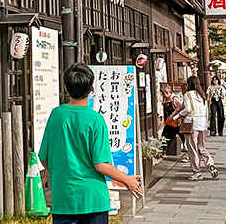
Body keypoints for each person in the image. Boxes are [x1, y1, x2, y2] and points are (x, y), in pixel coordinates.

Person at [39, 63, 142, 224]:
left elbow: (44, 157)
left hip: (64, 197)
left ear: (66, 88)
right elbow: (101, 164)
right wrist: (127, 180)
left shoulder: (56, 115)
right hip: (93, 199)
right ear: (92, 88)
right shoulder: (95, 120)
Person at [176, 76, 219, 181]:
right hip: (202, 124)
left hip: (192, 124)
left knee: (193, 149)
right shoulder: (202, 95)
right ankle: (210, 164)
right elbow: (206, 110)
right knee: (201, 147)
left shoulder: (187, 95)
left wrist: (177, 116)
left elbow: (188, 109)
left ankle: (197, 172)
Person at [161, 84, 184, 155]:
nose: (163, 95)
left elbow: (180, 108)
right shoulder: (166, 100)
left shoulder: (174, 99)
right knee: (164, 138)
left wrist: (172, 115)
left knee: (184, 138)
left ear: (167, 92)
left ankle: (191, 153)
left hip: (176, 122)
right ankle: (162, 152)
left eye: (164, 93)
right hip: (169, 123)